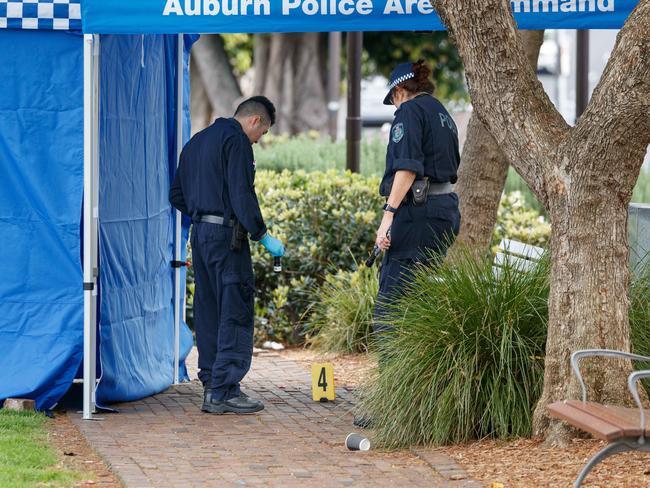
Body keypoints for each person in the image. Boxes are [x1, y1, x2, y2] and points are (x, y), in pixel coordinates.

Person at [169, 96, 284, 415]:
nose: (259, 140)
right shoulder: (236, 141)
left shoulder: (196, 142)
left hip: (201, 236)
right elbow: (241, 193)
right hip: (227, 238)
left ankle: (211, 385)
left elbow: (175, 195)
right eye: (263, 133)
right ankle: (225, 390)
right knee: (234, 307)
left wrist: (201, 214)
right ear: (255, 121)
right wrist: (262, 235)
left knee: (208, 309)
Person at [373, 59, 461, 327]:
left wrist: (388, 217)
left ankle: (391, 369)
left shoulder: (409, 111)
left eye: (393, 100)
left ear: (399, 90)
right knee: (421, 299)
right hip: (445, 210)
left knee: (390, 310)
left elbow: (407, 169)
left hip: (418, 214)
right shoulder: (442, 113)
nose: (395, 107)